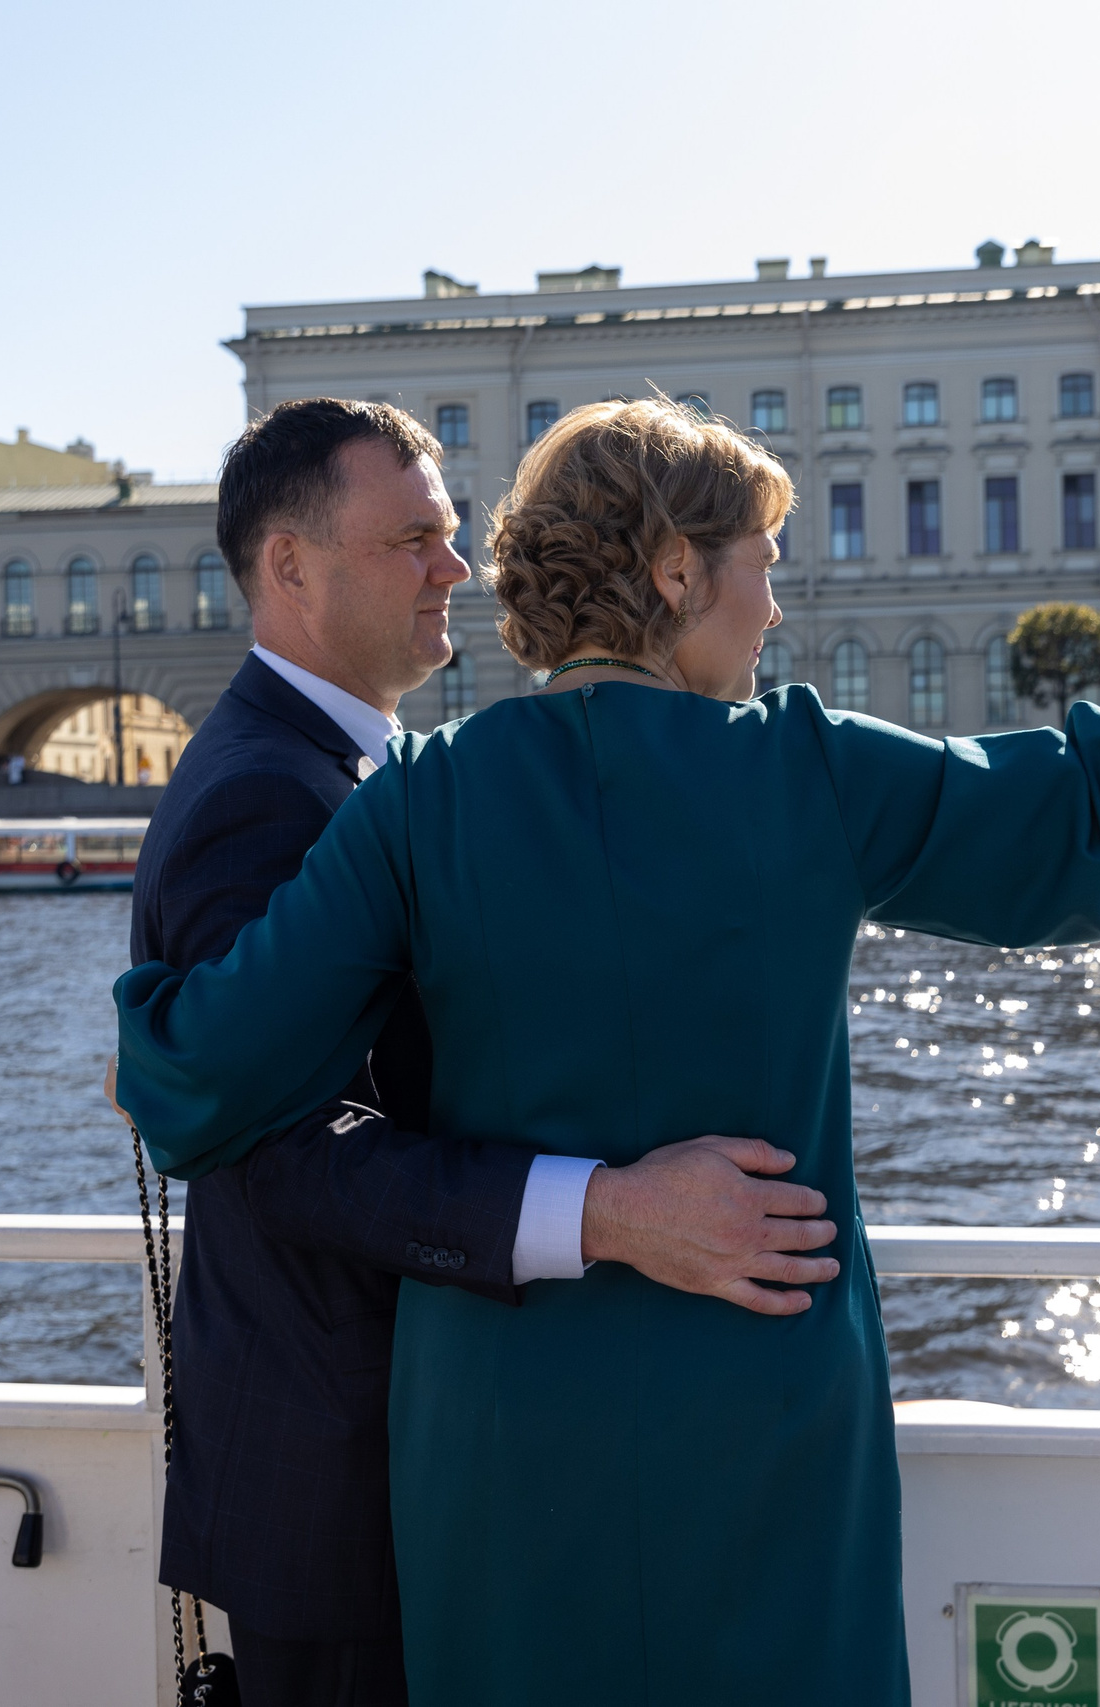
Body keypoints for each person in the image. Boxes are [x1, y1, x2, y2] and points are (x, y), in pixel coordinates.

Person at [116, 398, 1100, 1706]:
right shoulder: (806, 771)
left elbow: (204, 1072)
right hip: (760, 1391)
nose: (771, 613)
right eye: (761, 571)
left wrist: (138, 1054)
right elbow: (1096, 824)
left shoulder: (423, 794)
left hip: (493, 1423)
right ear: (673, 572)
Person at [127, 398, 839, 1707]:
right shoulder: (262, 796)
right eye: (413, 540)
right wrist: (610, 1213)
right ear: (289, 566)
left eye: (452, 537)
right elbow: (285, 1155)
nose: (457, 569)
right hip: (345, 1500)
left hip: (408, 1468)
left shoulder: (351, 772)